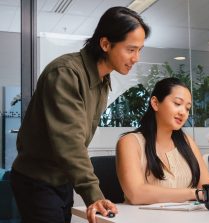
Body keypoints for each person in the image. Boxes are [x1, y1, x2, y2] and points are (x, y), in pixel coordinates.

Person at [10, 6, 150, 223]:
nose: (136, 58)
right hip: (36, 179)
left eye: (140, 50)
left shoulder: (103, 81)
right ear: (105, 44)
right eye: (131, 49)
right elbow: (70, 141)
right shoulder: (66, 73)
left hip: (61, 179)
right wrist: (93, 194)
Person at [116, 77, 209, 204]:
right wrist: (192, 193)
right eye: (177, 104)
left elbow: (206, 184)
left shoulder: (187, 142)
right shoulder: (130, 142)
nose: (183, 112)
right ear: (155, 103)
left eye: (187, 108)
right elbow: (136, 193)